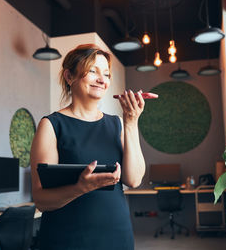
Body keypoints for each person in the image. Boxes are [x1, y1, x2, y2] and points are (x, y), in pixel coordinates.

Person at [30, 44, 146, 250]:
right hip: (66, 240)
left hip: (116, 235)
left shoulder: (117, 123)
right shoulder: (51, 125)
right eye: (93, 71)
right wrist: (80, 188)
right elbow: (41, 200)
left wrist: (131, 121)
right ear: (69, 76)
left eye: (106, 74)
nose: (102, 80)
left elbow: (134, 179)